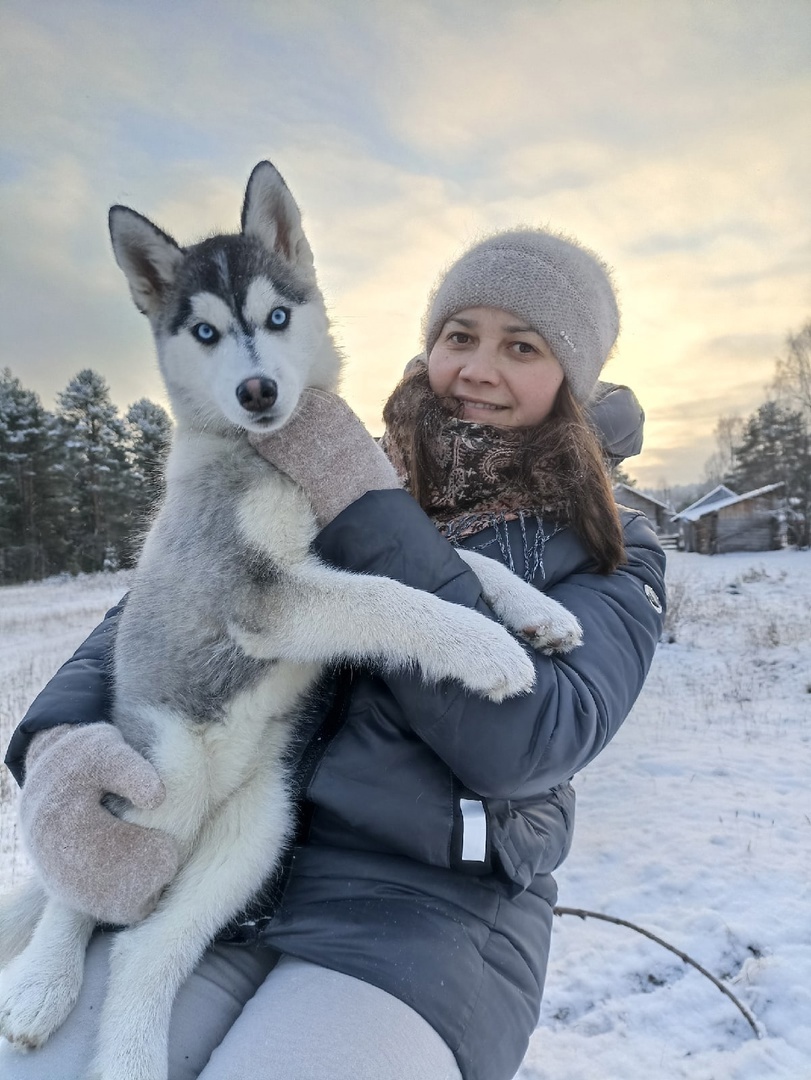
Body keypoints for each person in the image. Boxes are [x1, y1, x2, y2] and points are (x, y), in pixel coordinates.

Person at [1, 228, 665, 1080]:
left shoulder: (613, 545)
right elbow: (176, 594)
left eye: (521, 347)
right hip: (229, 847)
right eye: (458, 337)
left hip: (424, 914)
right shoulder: (330, 450)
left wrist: (362, 501)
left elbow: (523, 743)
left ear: (572, 375)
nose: (477, 369)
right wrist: (58, 735)